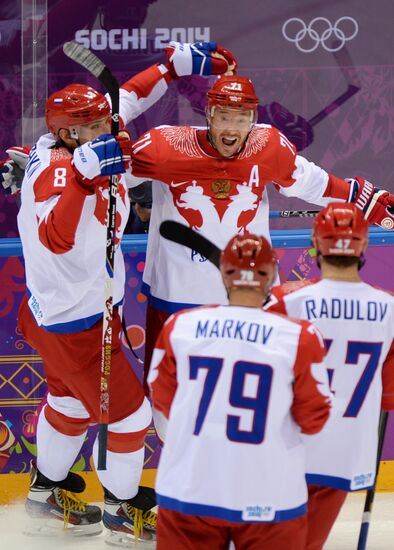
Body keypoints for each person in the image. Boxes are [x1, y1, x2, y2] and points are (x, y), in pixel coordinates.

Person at [15, 41, 237, 544]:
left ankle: (46, 494)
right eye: (93, 127)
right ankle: (121, 512)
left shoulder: (65, 144)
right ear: (68, 135)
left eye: (101, 123)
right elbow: (55, 236)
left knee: (70, 403)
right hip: (77, 321)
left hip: (60, 314)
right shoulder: (63, 169)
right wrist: (80, 182)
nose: (106, 131)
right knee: (132, 413)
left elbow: (125, 102)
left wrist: (173, 66)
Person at [124, 74, 394, 392]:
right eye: (224, 117)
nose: (231, 128)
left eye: (241, 119)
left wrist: (368, 201)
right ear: (209, 114)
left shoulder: (267, 147)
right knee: (168, 394)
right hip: (177, 295)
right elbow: (112, 181)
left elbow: (312, 183)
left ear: (252, 118)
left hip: (249, 296)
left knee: (252, 389)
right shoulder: (165, 147)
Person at [147, 233, 331, 550]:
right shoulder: (299, 337)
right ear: (271, 276)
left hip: (189, 489)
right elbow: (313, 419)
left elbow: (163, 400)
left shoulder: (181, 326)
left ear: (223, 274)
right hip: (270, 496)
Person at [264, 203, 394, 550]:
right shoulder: (390, 309)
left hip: (288, 446)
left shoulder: (284, 301)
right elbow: (388, 394)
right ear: (363, 247)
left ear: (315, 243)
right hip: (347, 452)